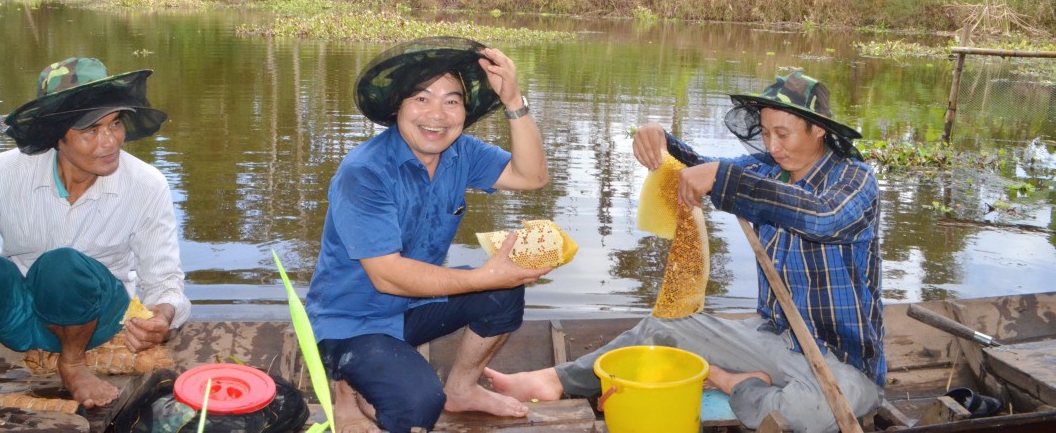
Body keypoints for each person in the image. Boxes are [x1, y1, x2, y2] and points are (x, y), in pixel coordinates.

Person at [486, 71, 884, 433]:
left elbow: (824, 216)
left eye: (783, 134)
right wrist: (661, 138)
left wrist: (723, 178)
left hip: (842, 361)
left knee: (814, 412)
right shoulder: (765, 171)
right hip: (776, 339)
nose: (772, 145)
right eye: (765, 133)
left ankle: (732, 382)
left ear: (818, 130)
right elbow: (699, 166)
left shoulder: (854, 179)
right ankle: (555, 379)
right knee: (667, 327)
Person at [0, 56, 190, 409]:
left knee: (61, 265)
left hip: (96, 317)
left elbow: (165, 281)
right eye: (91, 130)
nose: (110, 141)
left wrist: (163, 314)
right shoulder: (2, 174)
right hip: (19, 317)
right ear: (56, 138)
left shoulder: (146, 185)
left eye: (115, 124)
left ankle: (73, 362)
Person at [304, 36, 554, 433]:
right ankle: (345, 388)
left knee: (504, 291)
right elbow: (386, 275)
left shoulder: (461, 153)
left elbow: (533, 176)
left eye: (451, 101)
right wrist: (481, 277)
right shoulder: (363, 173)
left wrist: (514, 101)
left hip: (412, 308)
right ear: (397, 107)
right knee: (417, 407)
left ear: (463, 112)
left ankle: (462, 389)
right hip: (351, 322)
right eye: (421, 99)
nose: (437, 115)